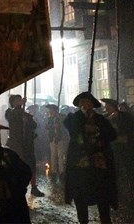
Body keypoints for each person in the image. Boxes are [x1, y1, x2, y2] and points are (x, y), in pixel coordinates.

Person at [64, 92, 117, 224]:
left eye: (87, 102)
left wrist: (98, 129)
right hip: (80, 166)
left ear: (92, 104)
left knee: (102, 197)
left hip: (99, 165)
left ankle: (105, 220)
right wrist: (84, 126)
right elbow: (72, 129)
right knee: (80, 198)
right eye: (82, 102)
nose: (85, 104)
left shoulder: (101, 120)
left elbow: (112, 135)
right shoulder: (73, 118)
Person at [5, 94, 44, 196]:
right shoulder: (10, 112)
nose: (20, 101)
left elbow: (34, 125)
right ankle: (17, 186)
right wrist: (19, 108)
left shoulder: (24, 114)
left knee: (31, 165)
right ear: (13, 102)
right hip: (16, 144)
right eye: (17, 100)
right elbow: (11, 118)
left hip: (27, 143)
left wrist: (28, 121)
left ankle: (34, 187)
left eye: (20, 100)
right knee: (16, 165)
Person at [102, 98, 134, 197]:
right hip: (112, 149)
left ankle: (131, 188)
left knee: (129, 169)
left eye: (107, 106)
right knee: (114, 170)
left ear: (112, 106)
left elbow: (131, 130)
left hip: (125, 148)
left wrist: (126, 138)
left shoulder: (125, 116)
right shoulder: (105, 117)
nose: (105, 108)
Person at [45, 104, 68, 183]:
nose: (50, 111)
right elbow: (46, 127)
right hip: (52, 139)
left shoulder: (62, 117)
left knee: (60, 156)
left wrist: (59, 125)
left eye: (51, 109)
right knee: (53, 156)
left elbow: (65, 126)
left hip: (60, 139)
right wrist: (51, 126)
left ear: (55, 110)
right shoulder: (49, 118)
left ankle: (61, 172)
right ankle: (54, 172)